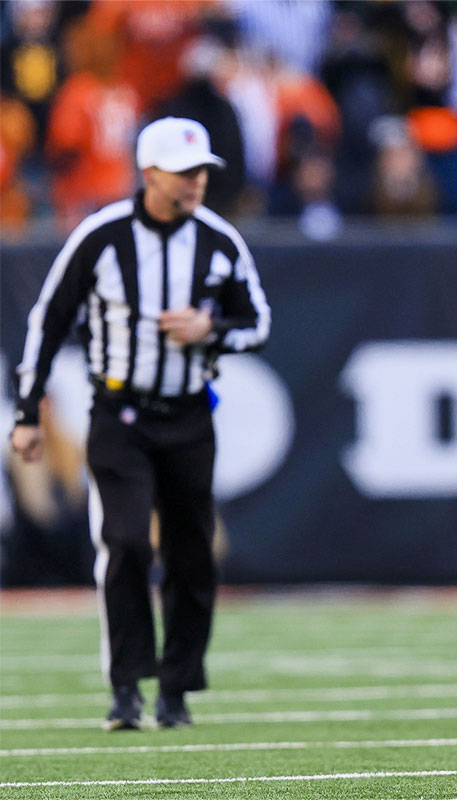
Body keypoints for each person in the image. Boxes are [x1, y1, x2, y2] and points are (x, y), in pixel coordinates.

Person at [9, 117, 271, 731]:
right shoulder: (100, 238)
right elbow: (48, 320)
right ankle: (126, 686)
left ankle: (176, 689)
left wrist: (213, 330)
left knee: (189, 553)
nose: (197, 182)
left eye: (202, 171)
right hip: (119, 414)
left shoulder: (219, 240)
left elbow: (258, 322)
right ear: (149, 174)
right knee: (124, 541)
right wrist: (27, 413)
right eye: (185, 172)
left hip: (187, 415)